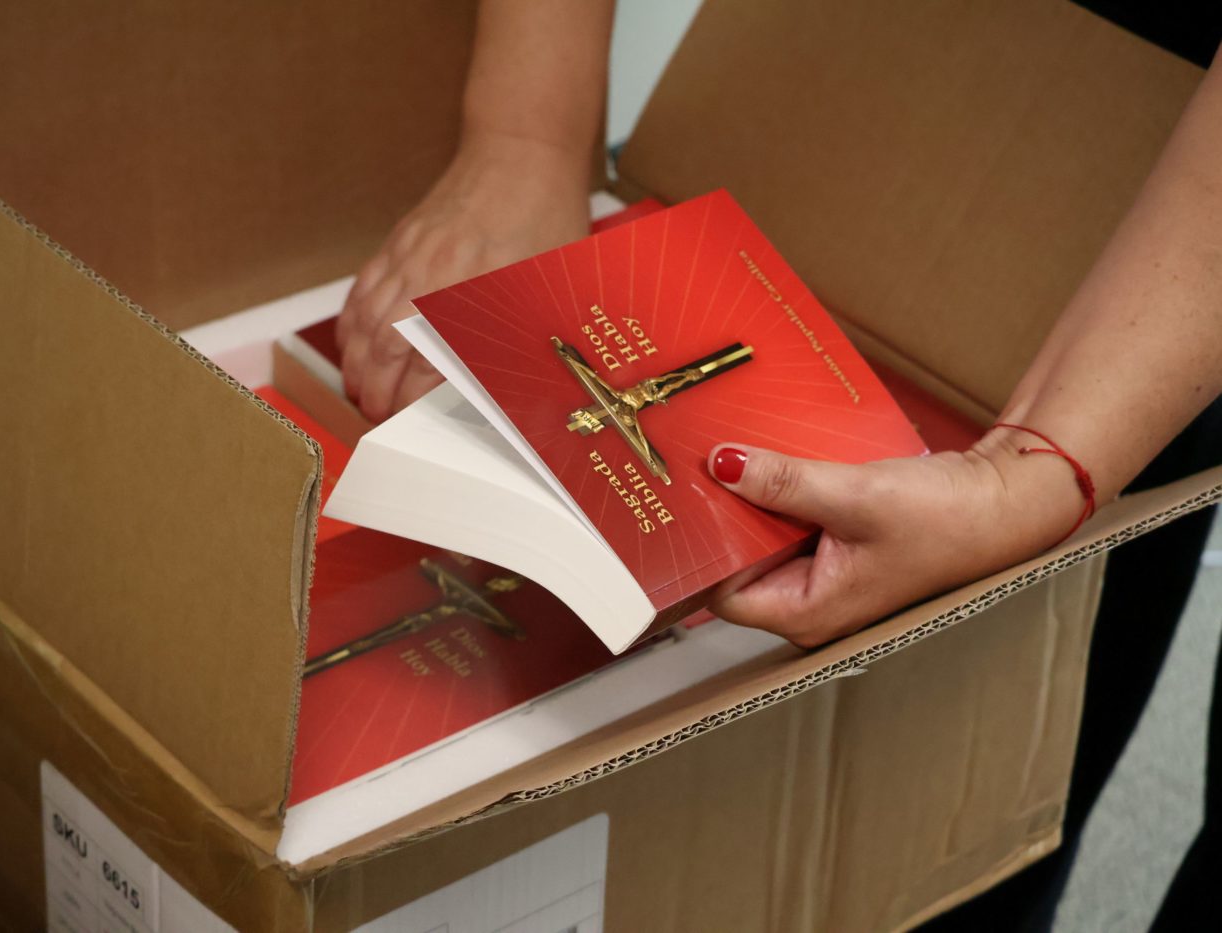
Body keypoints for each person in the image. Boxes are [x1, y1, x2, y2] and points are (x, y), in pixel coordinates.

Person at [336, 1, 1222, 928]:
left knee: (971, 817)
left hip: (1169, 245)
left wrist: (1032, 475)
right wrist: (523, 135)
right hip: (829, 73)